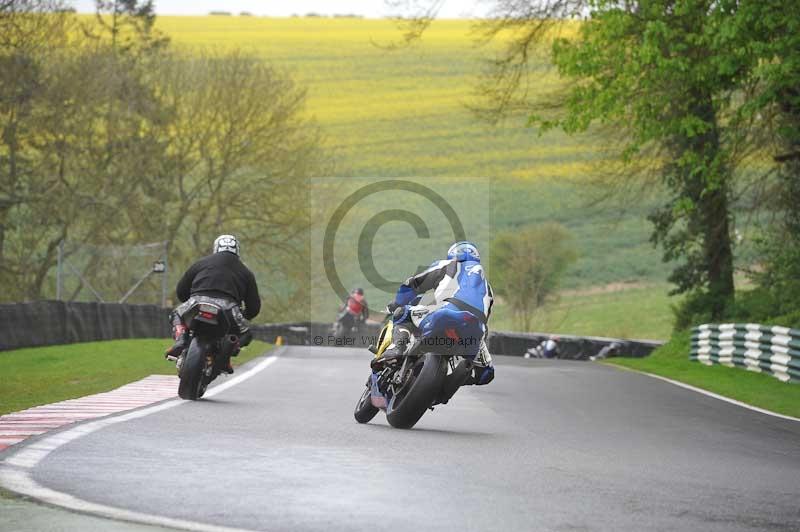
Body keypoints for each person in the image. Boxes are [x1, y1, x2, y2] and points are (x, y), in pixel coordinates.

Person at [372, 241, 495, 387]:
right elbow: (486, 318)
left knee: (402, 313)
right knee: (485, 373)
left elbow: (413, 284)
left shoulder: (448, 265)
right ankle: (446, 385)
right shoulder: (488, 287)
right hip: (475, 328)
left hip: (447, 311)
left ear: (453, 255)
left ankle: (396, 349)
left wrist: (396, 303)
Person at [164, 234, 261, 374]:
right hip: (228, 308)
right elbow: (254, 307)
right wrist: (245, 315)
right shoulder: (246, 272)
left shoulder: (201, 263)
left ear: (216, 248)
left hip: (197, 301)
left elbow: (181, 290)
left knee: (176, 314)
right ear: (237, 250)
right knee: (246, 333)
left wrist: (189, 301)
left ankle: (180, 340)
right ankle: (225, 358)